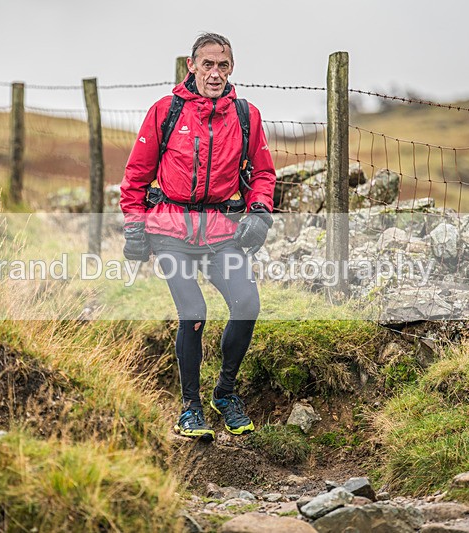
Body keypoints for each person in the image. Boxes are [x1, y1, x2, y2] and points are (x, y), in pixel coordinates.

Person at [119, 33, 276, 441]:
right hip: (170, 230)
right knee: (193, 313)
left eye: (223, 66)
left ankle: (225, 392)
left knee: (247, 304)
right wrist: (135, 227)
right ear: (192, 66)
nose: (215, 73)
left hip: (221, 232)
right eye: (207, 64)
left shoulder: (246, 115)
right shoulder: (165, 111)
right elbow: (136, 176)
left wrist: (259, 211)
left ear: (231, 70)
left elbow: (262, 173)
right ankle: (190, 407)